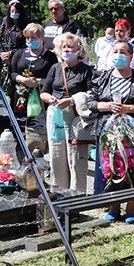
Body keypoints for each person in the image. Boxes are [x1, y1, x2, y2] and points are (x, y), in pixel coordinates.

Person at [87, 41, 134, 223]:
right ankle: (113, 206)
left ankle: (132, 206)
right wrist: (107, 106)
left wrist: (127, 109)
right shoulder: (101, 78)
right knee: (110, 168)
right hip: (106, 131)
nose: (119, 54)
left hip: (132, 132)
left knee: (133, 168)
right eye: (115, 51)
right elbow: (90, 102)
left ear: (131, 57)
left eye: (123, 52)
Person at [40, 33, 94, 193]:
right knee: (56, 156)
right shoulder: (55, 68)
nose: (67, 50)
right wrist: (49, 98)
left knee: (76, 159)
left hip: (75, 117)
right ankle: (59, 194)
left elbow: (92, 95)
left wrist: (70, 101)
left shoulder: (86, 71)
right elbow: (44, 91)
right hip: (55, 116)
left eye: (71, 47)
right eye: (64, 47)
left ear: (79, 49)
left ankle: (77, 198)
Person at [9, 23, 58, 152]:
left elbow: (54, 78)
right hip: (21, 98)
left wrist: (38, 81)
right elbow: (12, 73)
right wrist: (24, 80)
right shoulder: (19, 53)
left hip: (40, 99)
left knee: (36, 135)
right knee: (19, 130)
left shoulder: (50, 57)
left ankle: (38, 162)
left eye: (33, 38)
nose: (30, 40)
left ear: (41, 38)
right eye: (28, 38)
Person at [0, 0, 29, 94]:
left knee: (13, 88)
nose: (14, 13)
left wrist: (11, 53)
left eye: (16, 11)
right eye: (12, 11)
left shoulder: (25, 25)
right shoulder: (6, 24)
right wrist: (1, 54)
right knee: (1, 85)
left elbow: (26, 45)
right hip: (3, 59)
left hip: (17, 59)